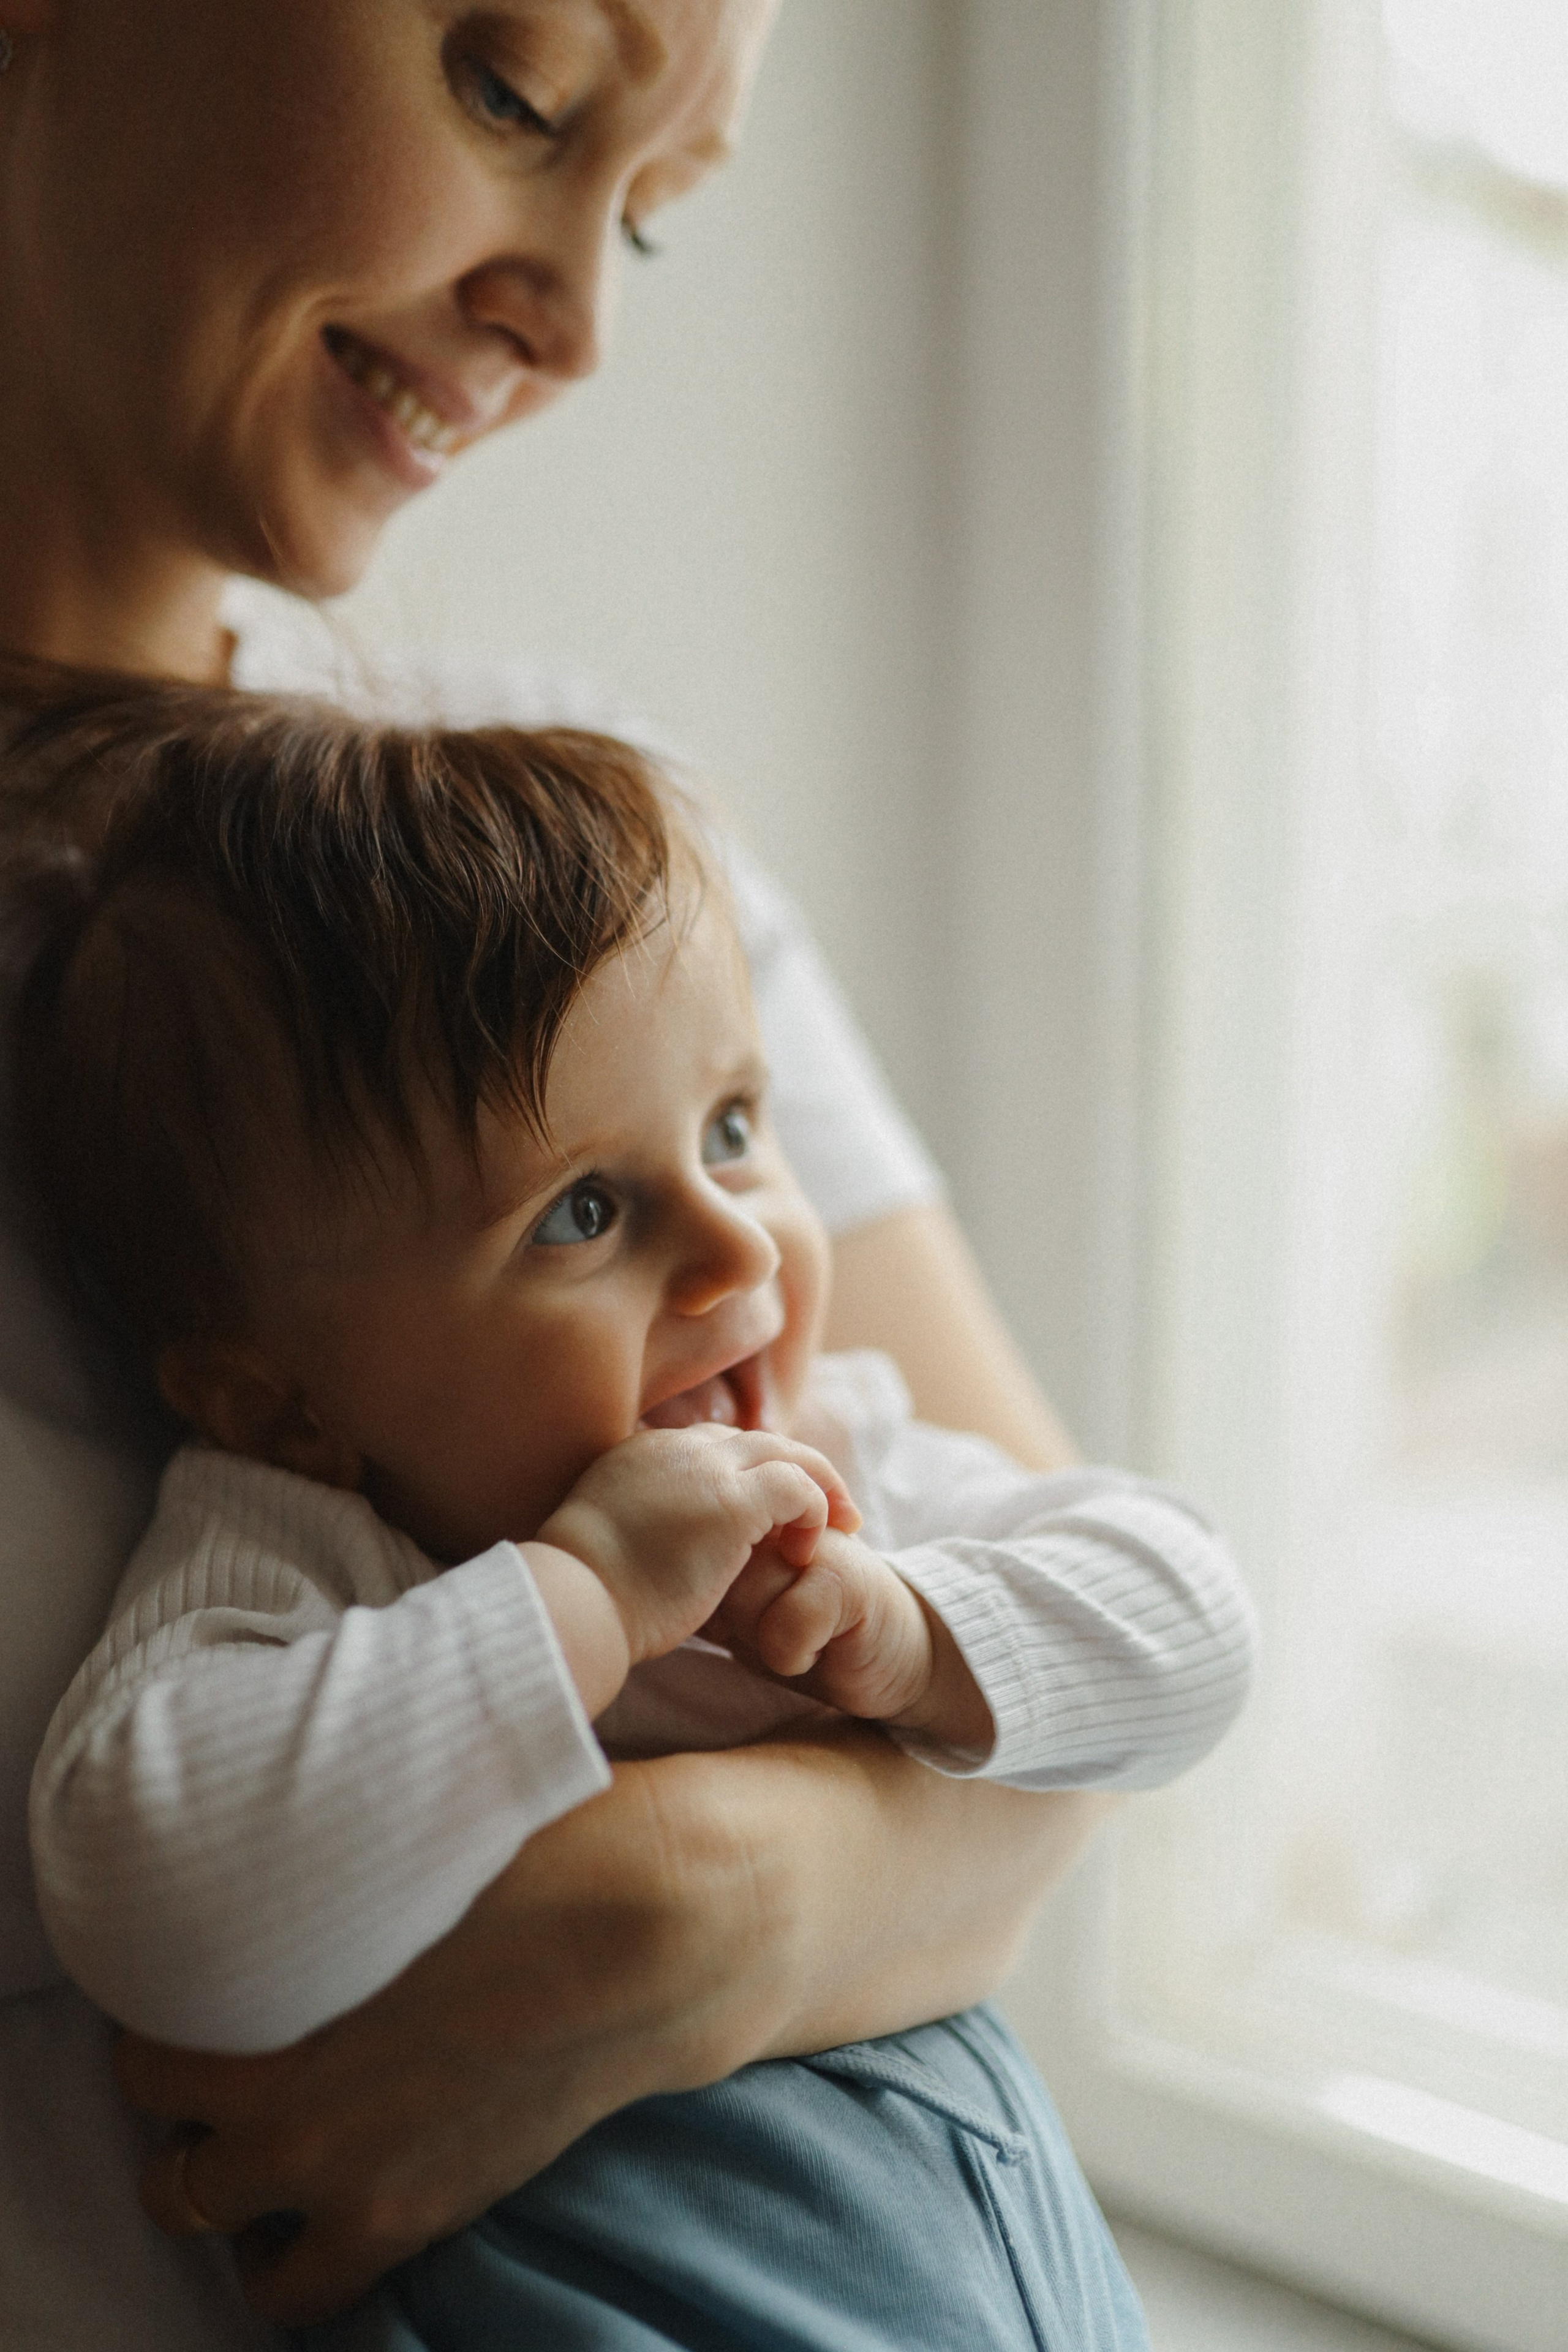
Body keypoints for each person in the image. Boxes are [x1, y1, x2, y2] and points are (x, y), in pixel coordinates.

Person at [0, 4, 1168, 2344]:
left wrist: (664, 1932)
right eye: (514, 92)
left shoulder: (569, 856)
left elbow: (1076, 1691)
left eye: (649, 208)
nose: (578, 316)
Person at [15, 699, 1252, 2349]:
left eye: (738, 1129)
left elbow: (1196, 1623)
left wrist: (919, 1630)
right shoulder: (310, 1551)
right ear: (283, 1400)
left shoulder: (834, 1460)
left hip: (976, 2245)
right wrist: (581, 1598)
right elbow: (151, 1900)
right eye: (585, 1212)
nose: (738, 1248)